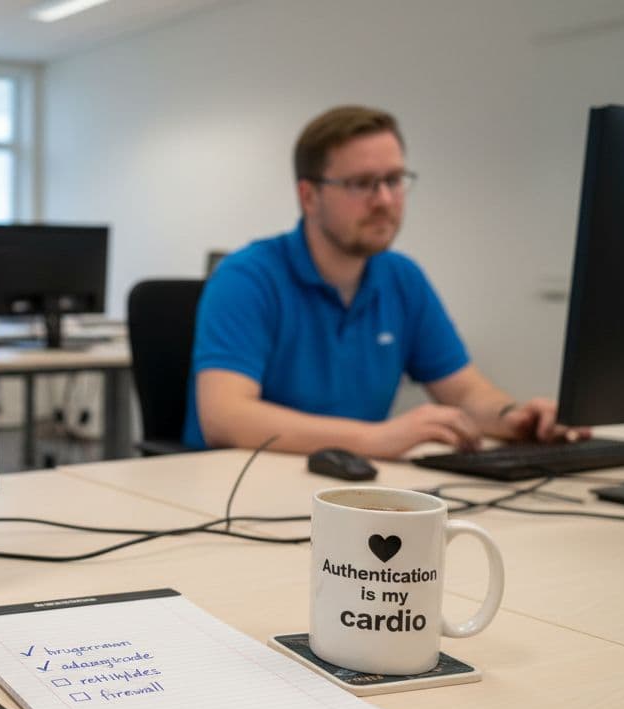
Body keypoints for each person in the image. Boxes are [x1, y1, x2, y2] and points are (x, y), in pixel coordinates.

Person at [182, 105, 585, 459]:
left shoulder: (402, 278)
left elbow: (463, 391)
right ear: (308, 196)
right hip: (237, 490)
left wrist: (513, 418)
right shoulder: (247, 277)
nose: (385, 200)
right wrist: (375, 438)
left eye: (394, 180)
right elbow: (226, 417)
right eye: (362, 184)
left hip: (350, 488)